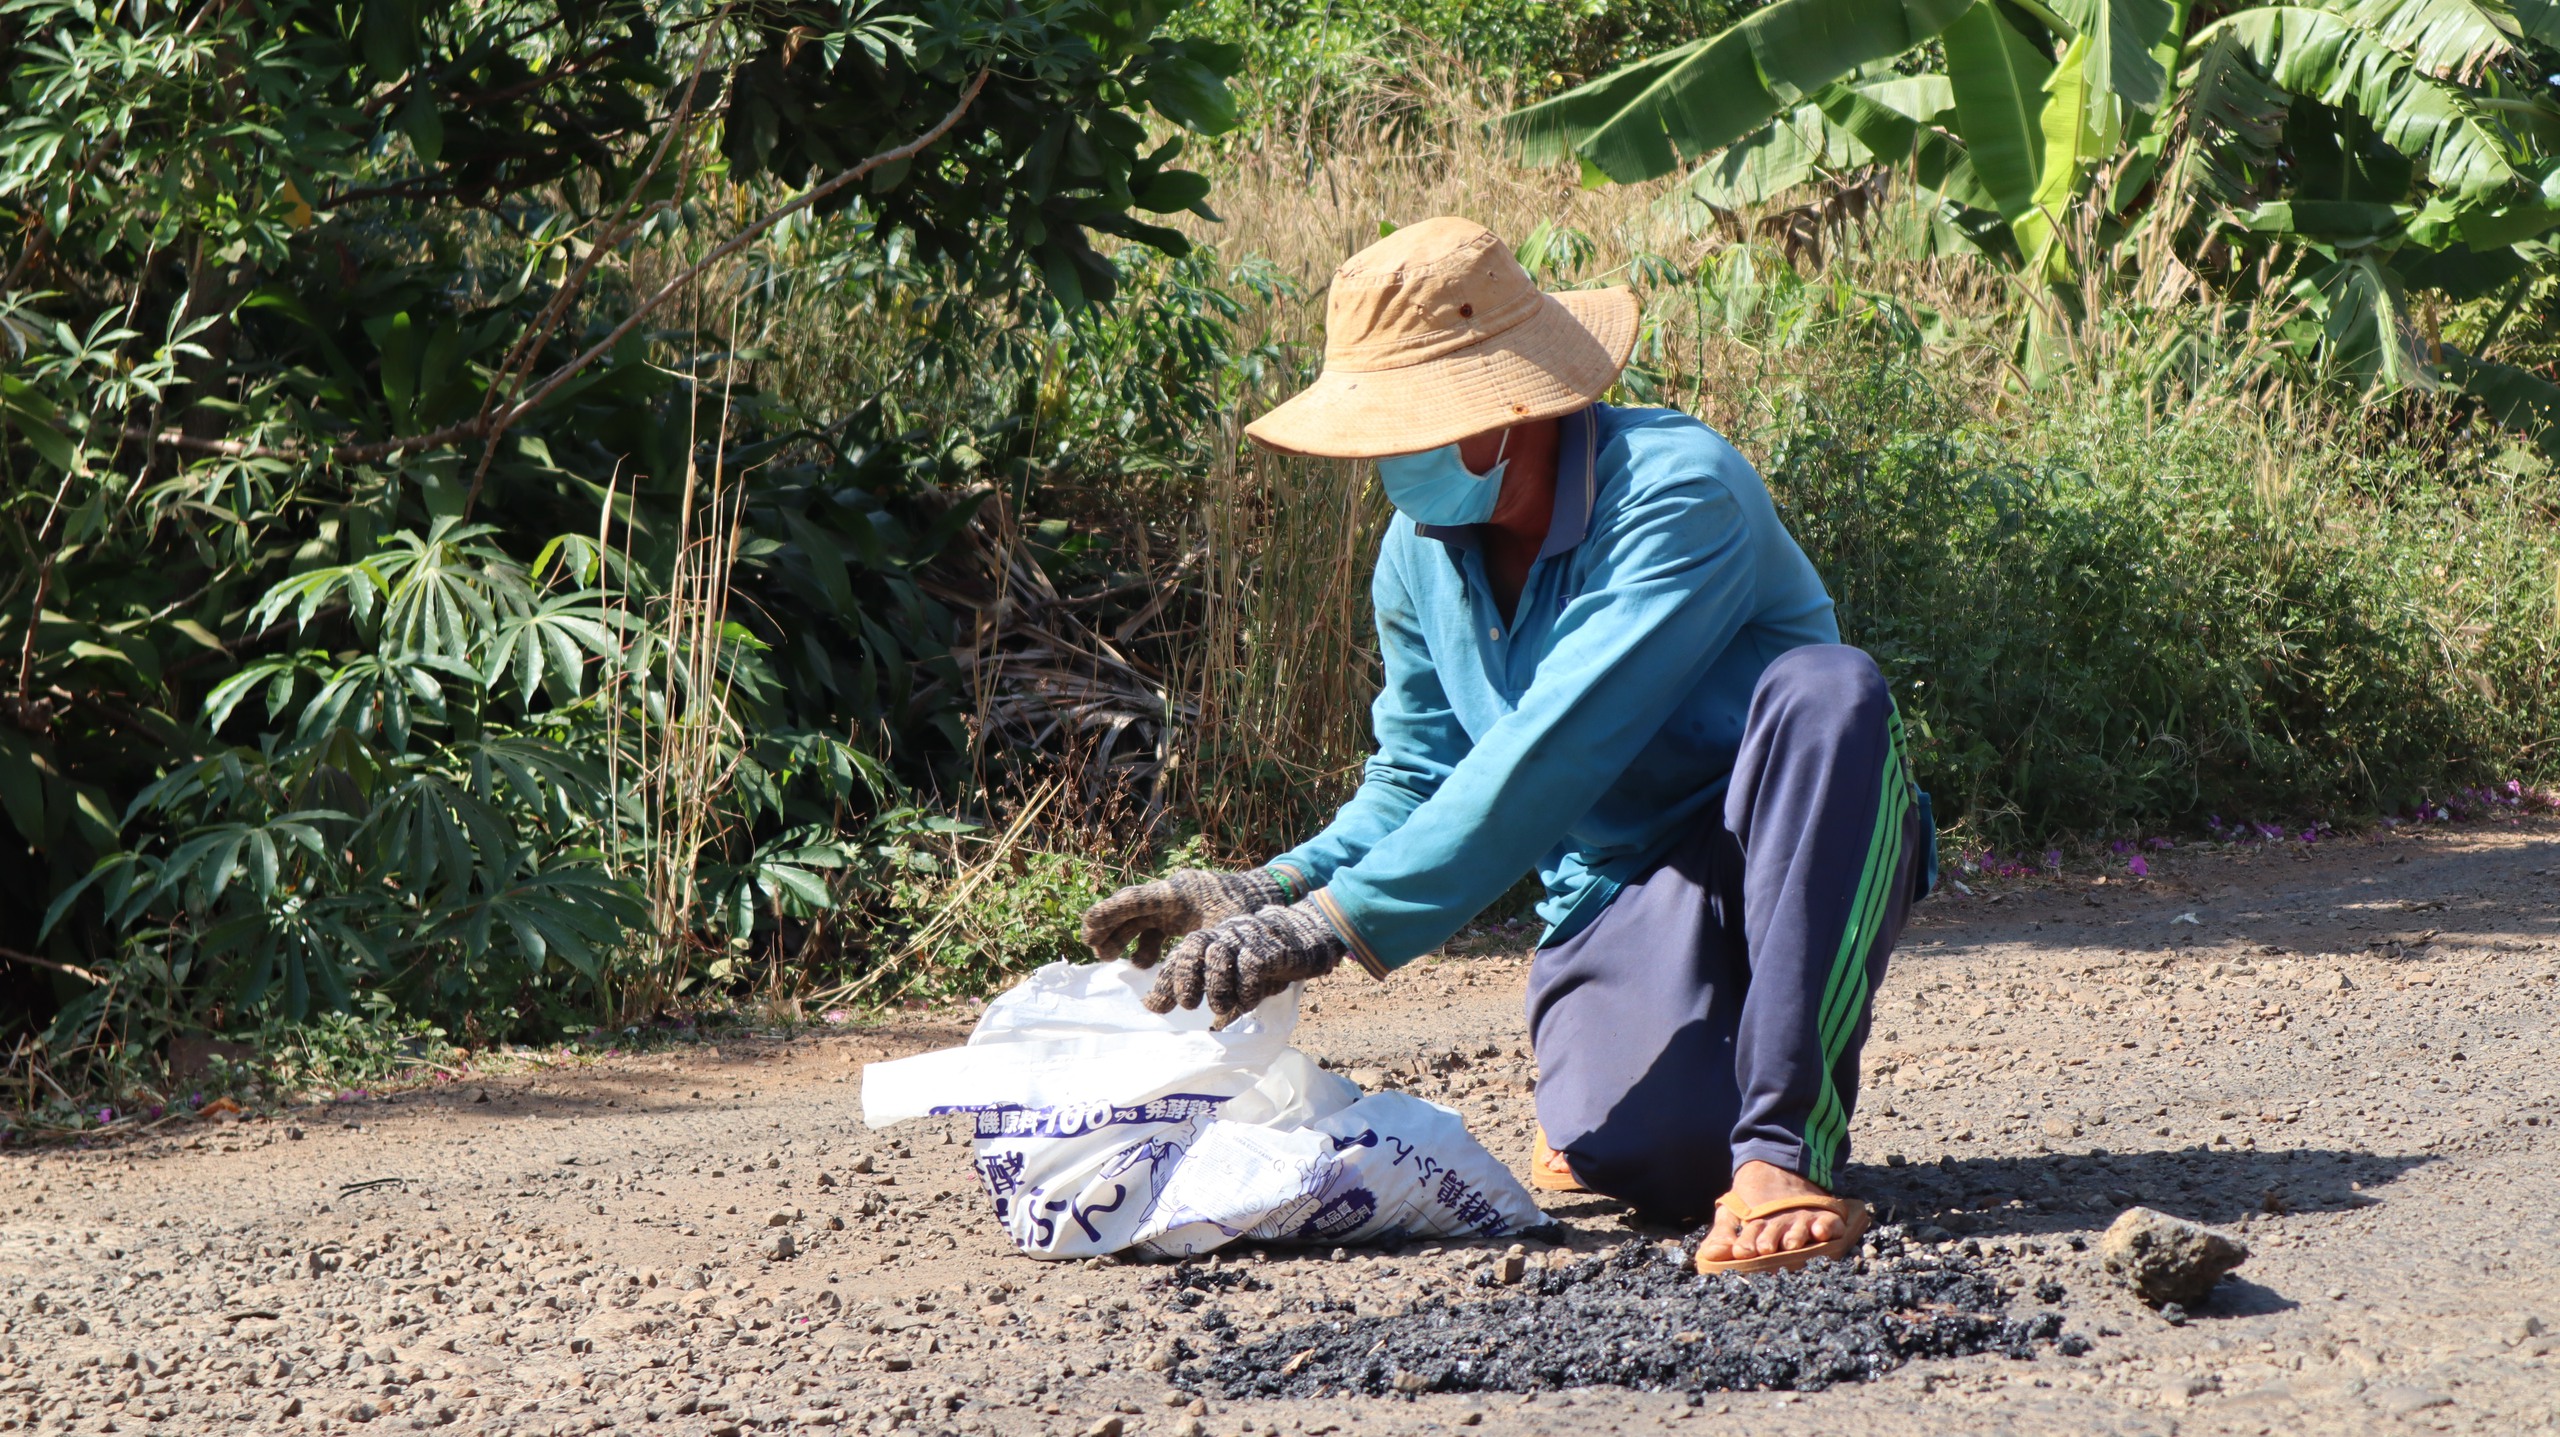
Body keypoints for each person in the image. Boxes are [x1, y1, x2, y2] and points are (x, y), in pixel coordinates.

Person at [1076, 217, 1934, 1274]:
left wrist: (1330, 926)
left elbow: (1555, 748)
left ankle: (1781, 1156)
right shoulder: (1418, 553)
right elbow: (1417, 775)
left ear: (1508, 410)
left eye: (1410, 426)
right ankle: (1684, 1116)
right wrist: (1269, 885)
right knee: (1648, 1162)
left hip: (1789, 832)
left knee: (1828, 692)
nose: (1391, 458)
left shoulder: (1675, 491)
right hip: (1626, 873)